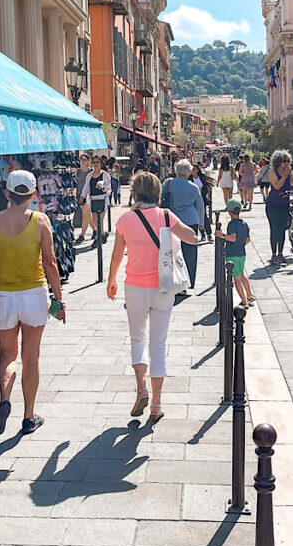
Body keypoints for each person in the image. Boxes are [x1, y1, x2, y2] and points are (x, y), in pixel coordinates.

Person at [107, 171, 199, 422]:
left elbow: (117, 255)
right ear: (158, 192)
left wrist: (111, 280)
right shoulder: (167, 216)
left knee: (138, 339)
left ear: (136, 193)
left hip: (135, 286)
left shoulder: (126, 219)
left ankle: (141, 389)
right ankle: (157, 404)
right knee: (157, 344)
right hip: (163, 287)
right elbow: (192, 237)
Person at [0, 170, 66, 438]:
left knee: (7, 355)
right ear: (32, 195)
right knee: (31, 357)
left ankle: (5, 399)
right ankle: (29, 416)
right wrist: (59, 298)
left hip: (2, 295)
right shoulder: (40, 222)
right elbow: (50, 262)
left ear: (7, 193)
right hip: (33, 294)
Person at [162, 159, 204, 290]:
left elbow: (162, 198)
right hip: (190, 221)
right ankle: (190, 279)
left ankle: (175, 280)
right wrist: (201, 223)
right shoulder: (193, 187)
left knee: (171, 252)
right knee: (190, 252)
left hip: (172, 221)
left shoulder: (168, 183)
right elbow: (200, 205)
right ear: (189, 172)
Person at [266, 149, 293, 264]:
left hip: (284, 204)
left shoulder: (289, 172)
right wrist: (285, 176)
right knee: (274, 229)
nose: (287, 164)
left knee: (282, 229)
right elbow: (277, 186)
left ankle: (280, 253)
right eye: (284, 161)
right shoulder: (272, 172)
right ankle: (274, 254)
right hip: (273, 204)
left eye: (288, 161)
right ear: (278, 162)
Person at [216, 198, 254, 307]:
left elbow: (233, 238)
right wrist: (240, 245)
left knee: (236, 279)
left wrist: (222, 235)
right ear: (240, 210)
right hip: (242, 253)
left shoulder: (232, 224)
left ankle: (244, 301)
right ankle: (249, 296)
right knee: (242, 275)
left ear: (229, 211)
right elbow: (247, 240)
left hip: (232, 254)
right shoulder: (244, 224)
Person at [82, 155, 112, 246]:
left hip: (102, 200)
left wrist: (103, 187)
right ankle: (102, 234)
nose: (96, 164)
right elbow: (86, 187)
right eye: (94, 162)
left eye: (97, 162)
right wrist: (82, 196)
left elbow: (109, 187)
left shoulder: (105, 175)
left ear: (101, 164)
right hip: (93, 200)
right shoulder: (89, 176)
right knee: (95, 221)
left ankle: (98, 240)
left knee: (100, 220)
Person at [191, 164, 213, 241]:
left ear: (198, 170)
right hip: (193, 201)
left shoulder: (202, 178)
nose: (193, 171)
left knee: (203, 217)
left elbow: (206, 187)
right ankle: (202, 234)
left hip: (202, 200)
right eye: (192, 169)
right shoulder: (189, 179)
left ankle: (209, 234)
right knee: (196, 217)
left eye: (194, 169)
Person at [74, 153, 91, 240]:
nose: (83, 162)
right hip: (79, 194)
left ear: (88, 161)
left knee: (85, 214)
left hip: (88, 196)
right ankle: (95, 230)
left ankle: (82, 235)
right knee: (87, 215)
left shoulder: (91, 171)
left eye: (84, 160)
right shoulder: (78, 171)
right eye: (81, 160)